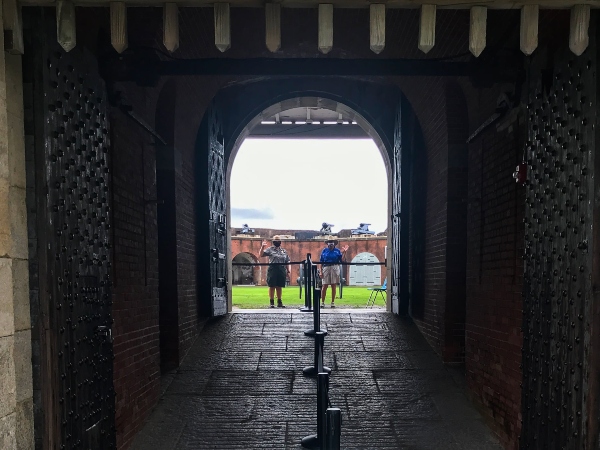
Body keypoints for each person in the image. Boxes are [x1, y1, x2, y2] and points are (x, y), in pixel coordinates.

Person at [259, 235, 291, 308]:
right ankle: (271, 302)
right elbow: (261, 255)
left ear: (280, 242)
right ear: (273, 242)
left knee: (279, 286)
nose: (277, 242)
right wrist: (262, 246)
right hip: (273, 268)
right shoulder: (270, 249)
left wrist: (288, 271)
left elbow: (287, 261)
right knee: (272, 285)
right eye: (275, 241)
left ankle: (279, 301)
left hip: (281, 268)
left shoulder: (283, 251)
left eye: (278, 241)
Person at [319, 239, 349, 308]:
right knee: (324, 285)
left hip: (335, 267)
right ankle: (322, 302)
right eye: (329, 244)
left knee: (333, 285)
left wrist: (344, 252)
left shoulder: (337, 251)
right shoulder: (324, 250)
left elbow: (342, 260)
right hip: (326, 267)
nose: (330, 245)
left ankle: (332, 302)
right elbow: (321, 262)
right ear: (327, 244)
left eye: (332, 244)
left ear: (334, 244)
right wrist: (321, 271)